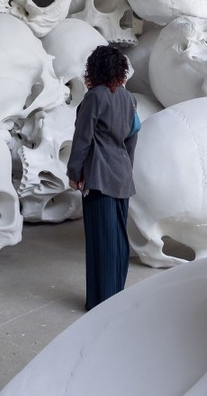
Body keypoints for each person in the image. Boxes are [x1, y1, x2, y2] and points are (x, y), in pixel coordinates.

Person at [67, 43, 139, 311]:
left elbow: (82, 139)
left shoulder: (94, 97)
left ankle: (101, 302)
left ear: (93, 69)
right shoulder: (129, 99)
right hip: (122, 175)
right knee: (118, 241)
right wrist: (126, 169)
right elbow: (132, 138)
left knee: (101, 240)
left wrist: (75, 172)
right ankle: (116, 297)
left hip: (98, 177)